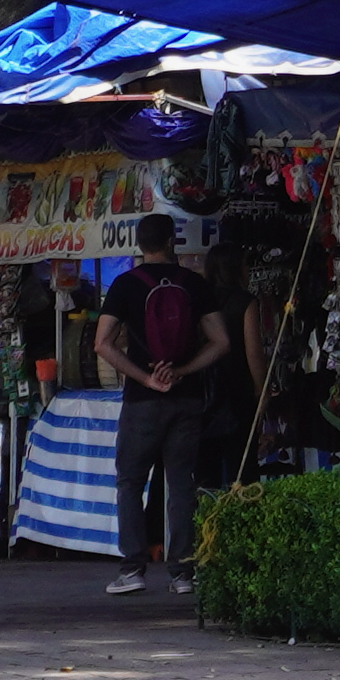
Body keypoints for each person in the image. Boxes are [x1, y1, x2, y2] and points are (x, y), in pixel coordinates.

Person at [98, 214, 230, 594]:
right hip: (186, 398)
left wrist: (145, 378)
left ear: (139, 244)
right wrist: (183, 371)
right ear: (172, 241)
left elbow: (102, 343)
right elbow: (221, 342)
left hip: (142, 400)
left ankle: (132, 570)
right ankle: (183, 573)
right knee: (181, 484)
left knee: (130, 482)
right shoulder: (194, 283)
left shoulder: (125, 285)